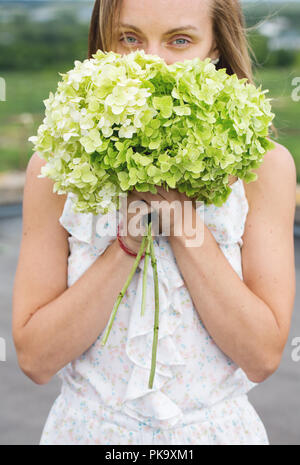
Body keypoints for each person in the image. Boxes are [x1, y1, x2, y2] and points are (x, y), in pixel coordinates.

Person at [12, 0, 296, 445]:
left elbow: (261, 356)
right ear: (102, 45)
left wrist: (181, 220)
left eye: (180, 40)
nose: (150, 62)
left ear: (216, 48)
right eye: (129, 39)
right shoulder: (54, 166)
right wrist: (125, 244)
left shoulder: (266, 168)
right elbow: (35, 358)